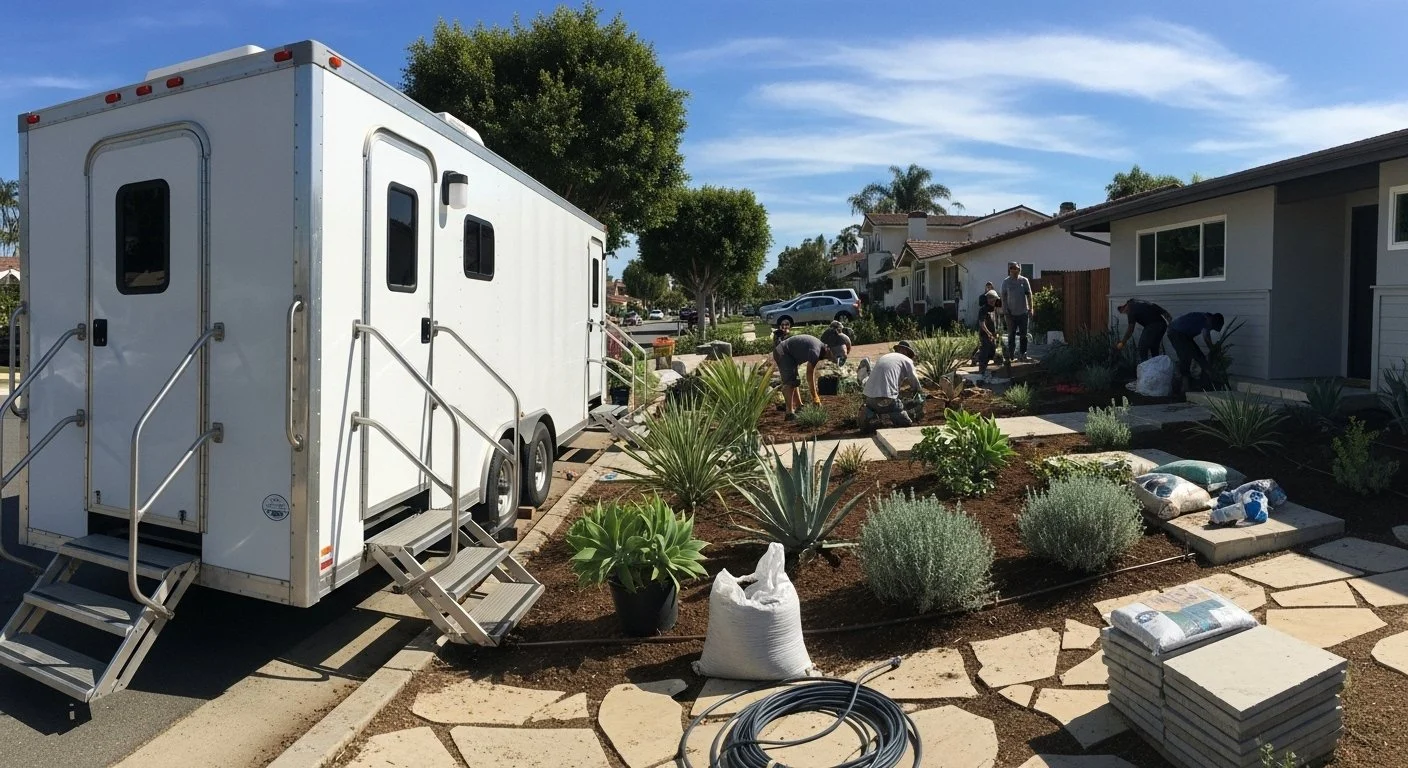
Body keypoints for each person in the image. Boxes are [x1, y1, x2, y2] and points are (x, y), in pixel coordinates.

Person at [861, 340, 924, 427]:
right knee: (905, 421)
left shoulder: (885, 357)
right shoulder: (906, 360)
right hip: (887, 400)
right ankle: (891, 417)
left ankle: (870, 414)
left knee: (878, 405)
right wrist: (919, 392)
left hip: (869, 398)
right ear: (906, 351)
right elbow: (914, 380)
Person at [773, 334, 834, 420]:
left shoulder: (820, 349)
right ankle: (789, 413)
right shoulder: (816, 352)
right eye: (834, 355)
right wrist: (815, 397)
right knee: (790, 382)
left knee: (795, 380)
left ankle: (799, 406)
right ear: (829, 349)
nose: (833, 359)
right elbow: (809, 375)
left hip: (788, 354)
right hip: (782, 352)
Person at [1166, 311, 1225, 391]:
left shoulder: (1206, 318)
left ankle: (1209, 376)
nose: (1211, 329)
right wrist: (1213, 349)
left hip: (1184, 335)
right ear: (1213, 322)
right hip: (1175, 332)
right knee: (1185, 358)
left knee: (1199, 355)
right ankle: (1184, 385)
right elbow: (1206, 337)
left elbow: (1206, 337)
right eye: (1212, 328)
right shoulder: (1206, 320)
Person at [999, 262, 1034, 361]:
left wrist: (1031, 308)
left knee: (1023, 335)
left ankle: (1023, 354)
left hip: (1023, 312)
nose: (1014, 270)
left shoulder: (1024, 280)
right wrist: (1005, 309)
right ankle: (1011, 355)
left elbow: (1029, 295)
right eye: (1012, 268)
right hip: (1010, 314)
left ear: (1019, 270)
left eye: (1016, 268)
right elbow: (1003, 297)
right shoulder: (1006, 282)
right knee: (1011, 335)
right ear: (1009, 270)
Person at [976, 294, 999, 382]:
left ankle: (977, 357)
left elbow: (996, 321)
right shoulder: (983, 310)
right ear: (987, 299)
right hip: (985, 334)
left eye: (994, 299)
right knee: (984, 353)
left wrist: (996, 333)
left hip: (992, 334)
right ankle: (981, 372)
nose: (993, 301)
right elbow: (982, 324)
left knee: (992, 352)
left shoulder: (994, 309)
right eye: (991, 299)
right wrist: (989, 333)